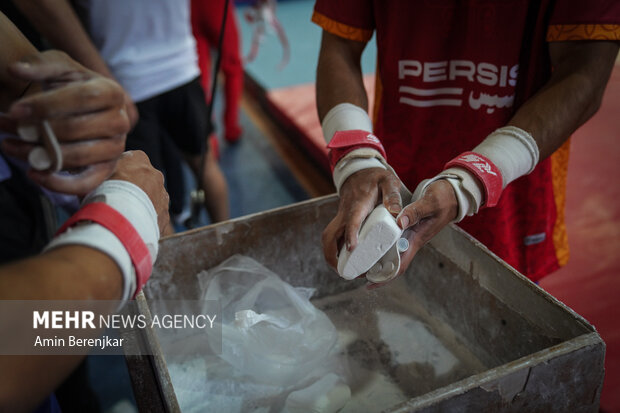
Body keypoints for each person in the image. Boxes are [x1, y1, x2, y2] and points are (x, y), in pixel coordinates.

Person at [312, 2, 620, 282]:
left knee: (504, 312)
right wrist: (357, 158)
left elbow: (584, 72)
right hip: (395, 171)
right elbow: (339, 46)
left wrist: (471, 181)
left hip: (512, 186)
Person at [13, 0, 230, 224]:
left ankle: (205, 245)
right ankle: (227, 244)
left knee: (144, 191)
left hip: (126, 80)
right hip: (175, 71)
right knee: (200, 167)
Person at [192, 0, 244, 144]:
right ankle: (231, 128)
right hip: (216, 5)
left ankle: (209, 141)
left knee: (198, 76)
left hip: (188, 7)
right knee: (232, 66)